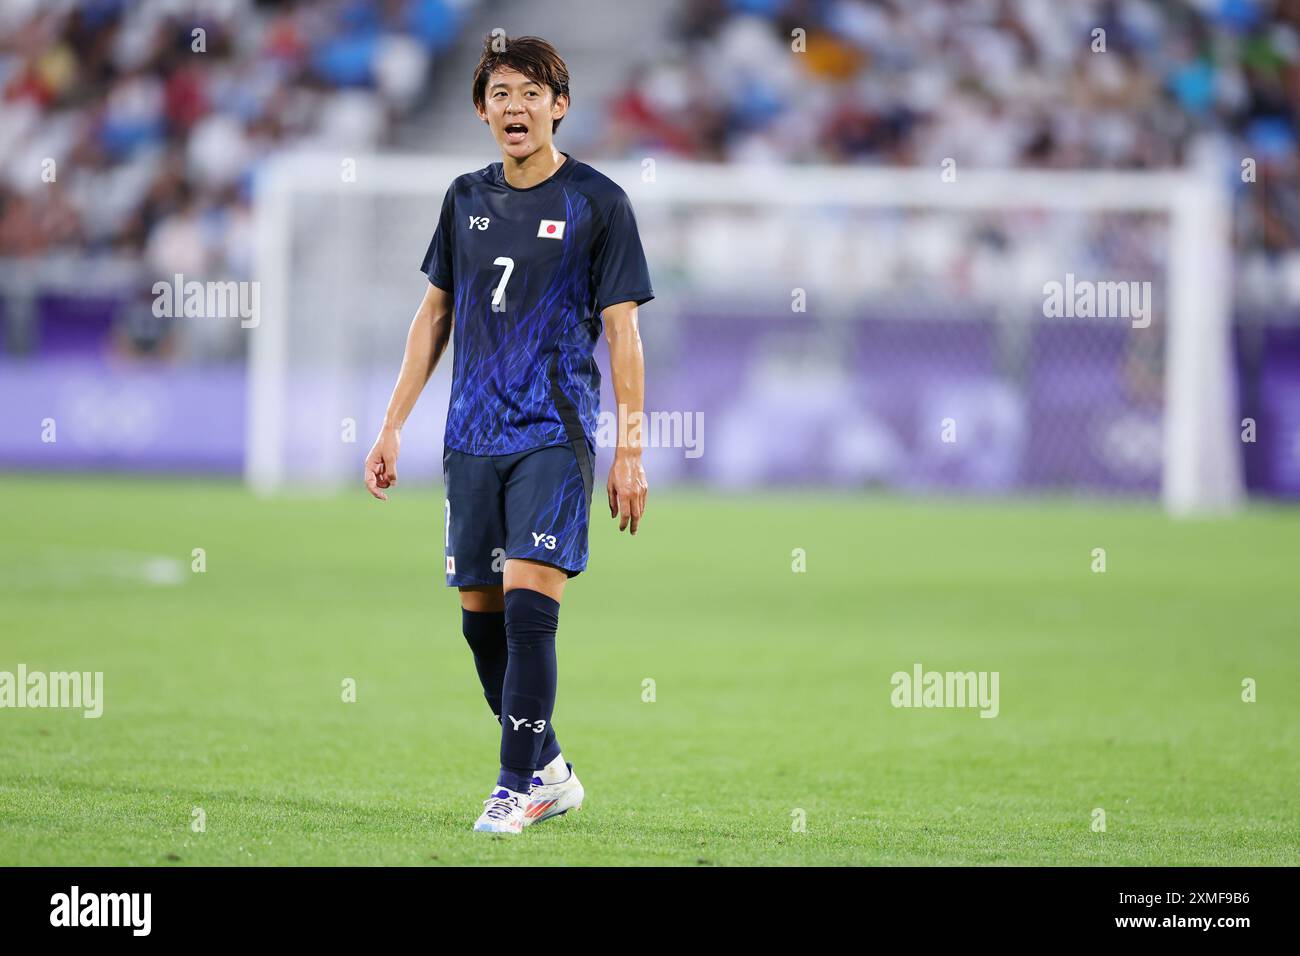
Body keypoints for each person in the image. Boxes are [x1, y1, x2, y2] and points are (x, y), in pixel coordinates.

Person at [364, 34, 653, 834]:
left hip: (552, 436)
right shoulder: (463, 198)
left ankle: (513, 786)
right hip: (471, 437)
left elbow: (623, 334)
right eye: (500, 94)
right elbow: (435, 316)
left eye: (531, 93)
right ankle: (550, 769)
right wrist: (391, 426)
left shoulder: (599, 202)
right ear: (483, 110)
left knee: (530, 610)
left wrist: (630, 448)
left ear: (560, 105)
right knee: (479, 622)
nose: (514, 107)